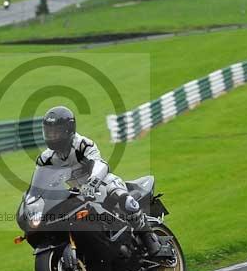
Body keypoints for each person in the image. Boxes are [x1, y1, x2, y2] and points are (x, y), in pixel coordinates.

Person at [36, 106, 161, 256]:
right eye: (49, 132)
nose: (53, 136)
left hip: (102, 183)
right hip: (78, 193)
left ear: (68, 130)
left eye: (57, 132)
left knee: (125, 200)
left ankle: (148, 236)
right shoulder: (45, 158)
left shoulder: (82, 145)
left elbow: (100, 164)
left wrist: (92, 182)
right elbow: (40, 183)